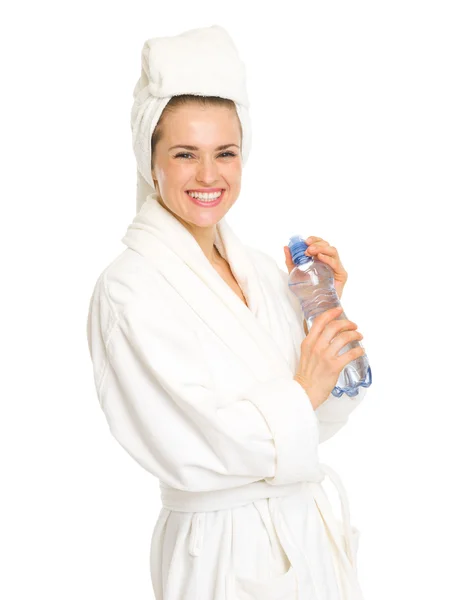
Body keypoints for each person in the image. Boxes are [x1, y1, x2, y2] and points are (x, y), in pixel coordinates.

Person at [86, 25, 369, 600]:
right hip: (220, 553)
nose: (209, 175)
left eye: (226, 153)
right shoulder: (127, 289)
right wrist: (301, 390)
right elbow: (194, 442)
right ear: (151, 162)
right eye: (185, 154)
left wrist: (325, 322)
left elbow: (319, 425)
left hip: (308, 540)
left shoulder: (265, 271)